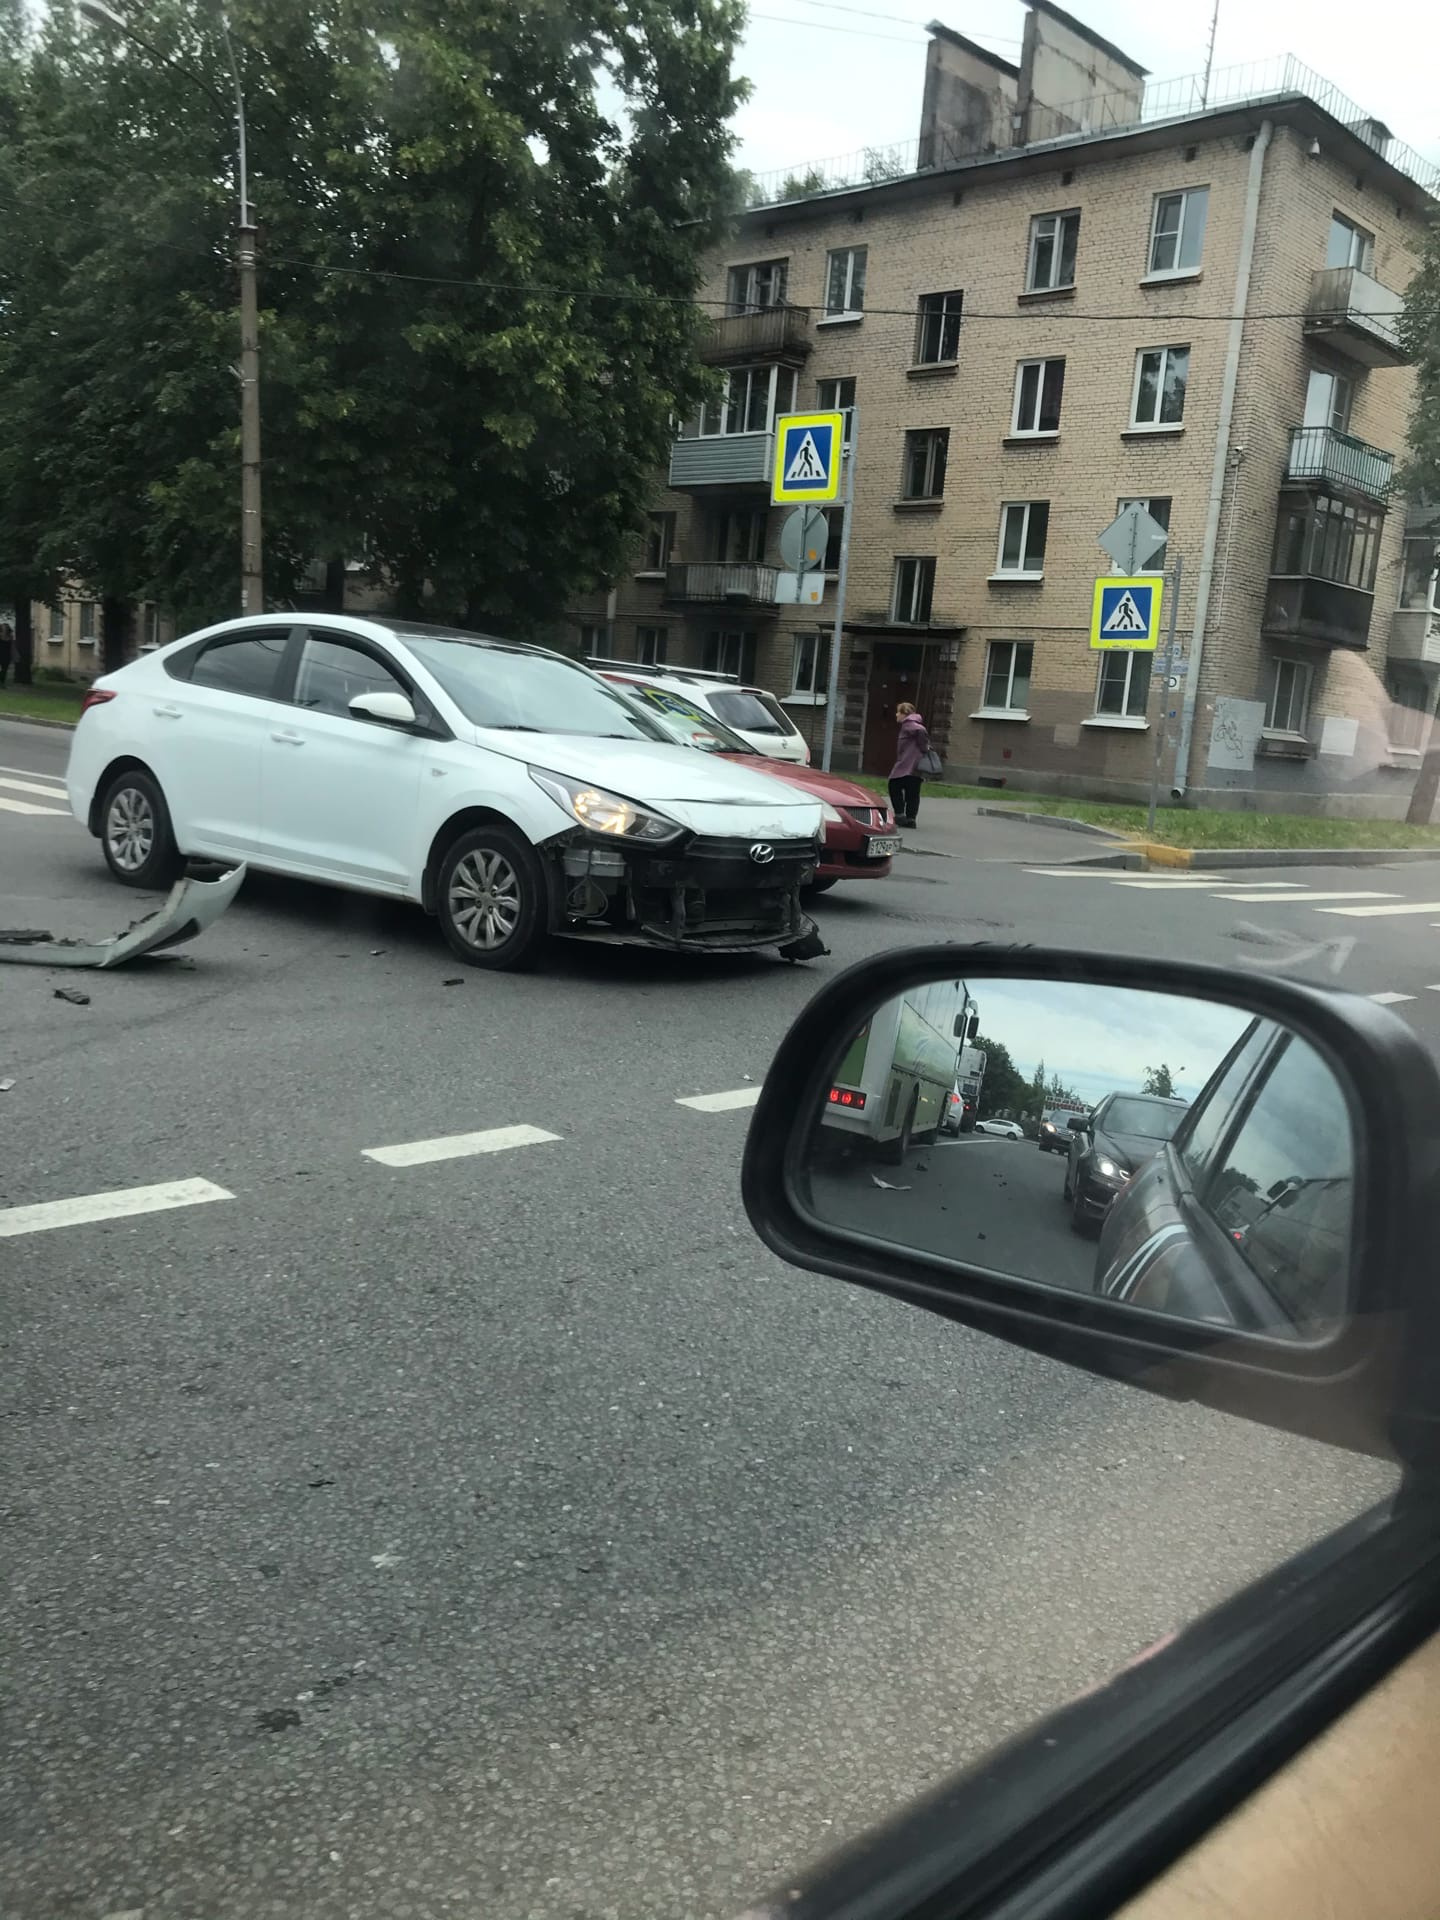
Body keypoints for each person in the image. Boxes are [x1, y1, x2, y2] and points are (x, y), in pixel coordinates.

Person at [888, 701, 929, 827]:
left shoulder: (909, 724)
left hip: (906, 764)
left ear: (904, 714)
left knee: (893, 785)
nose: (896, 715)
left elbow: (920, 731)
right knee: (913, 792)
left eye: (898, 712)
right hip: (915, 766)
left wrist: (924, 747)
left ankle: (900, 815)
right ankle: (911, 819)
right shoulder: (914, 723)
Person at [0, 621, 14, 689]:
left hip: (6, 655)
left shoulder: (10, 637)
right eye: (3, 627)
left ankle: (2, 683)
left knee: (4, 670)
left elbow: (12, 647)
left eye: (5, 627)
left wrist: (13, 655)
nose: (4, 628)